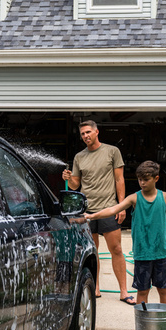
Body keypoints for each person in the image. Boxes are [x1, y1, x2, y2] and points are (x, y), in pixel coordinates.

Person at [77, 160, 166, 330]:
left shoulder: (164, 197)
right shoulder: (134, 198)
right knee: (142, 292)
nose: (142, 183)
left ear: (156, 179)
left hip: (162, 253)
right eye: (140, 179)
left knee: (163, 289)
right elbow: (114, 209)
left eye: (146, 179)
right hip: (142, 254)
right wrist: (92, 215)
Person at [62, 120, 135, 304]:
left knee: (116, 249)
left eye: (88, 132)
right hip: (87, 211)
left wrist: (121, 206)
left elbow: (120, 179)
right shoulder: (79, 157)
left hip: (109, 208)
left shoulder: (112, 151)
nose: (85, 136)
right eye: (82, 134)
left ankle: (124, 291)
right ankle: (95, 288)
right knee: (92, 251)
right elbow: (75, 185)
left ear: (96, 132)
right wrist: (69, 178)